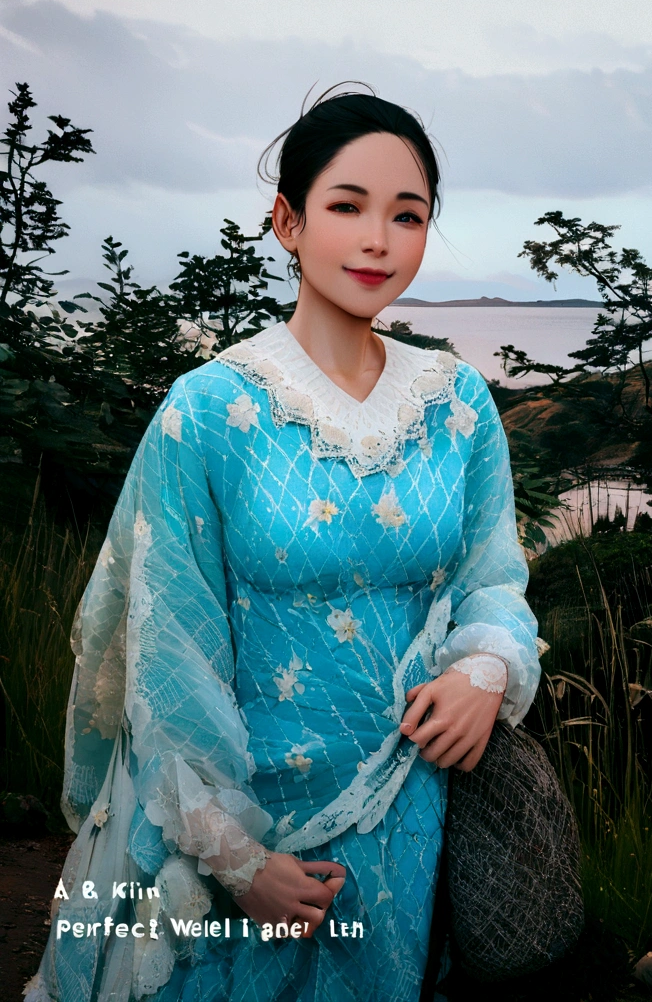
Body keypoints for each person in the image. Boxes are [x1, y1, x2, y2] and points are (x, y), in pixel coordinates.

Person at [25, 87, 542, 1002]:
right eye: (347, 207)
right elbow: (168, 651)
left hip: (401, 813)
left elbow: (492, 580)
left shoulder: (459, 405)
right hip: (240, 822)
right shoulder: (209, 411)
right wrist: (235, 856)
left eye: (407, 214)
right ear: (287, 222)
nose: (378, 238)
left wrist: (485, 670)